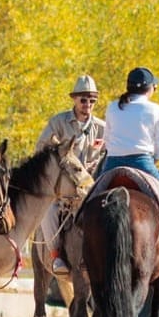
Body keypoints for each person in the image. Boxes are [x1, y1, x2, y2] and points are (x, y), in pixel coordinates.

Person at [36, 76, 107, 275]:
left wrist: (98, 163)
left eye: (92, 100)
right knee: (48, 210)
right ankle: (56, 255)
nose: (88, 105)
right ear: (74, 99)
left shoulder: (102, 127)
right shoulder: (58, 122)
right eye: (83, 100)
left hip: (90, 186)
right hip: (63, 186)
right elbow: (40, 149)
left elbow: (108, 154)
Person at [99, 68, 159, 222]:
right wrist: (156, 159)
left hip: (111, 165)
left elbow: (107, 139)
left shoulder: (112, 107)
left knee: (84, 201)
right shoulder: (155, 110)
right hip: (142, 164)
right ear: (149, 88)